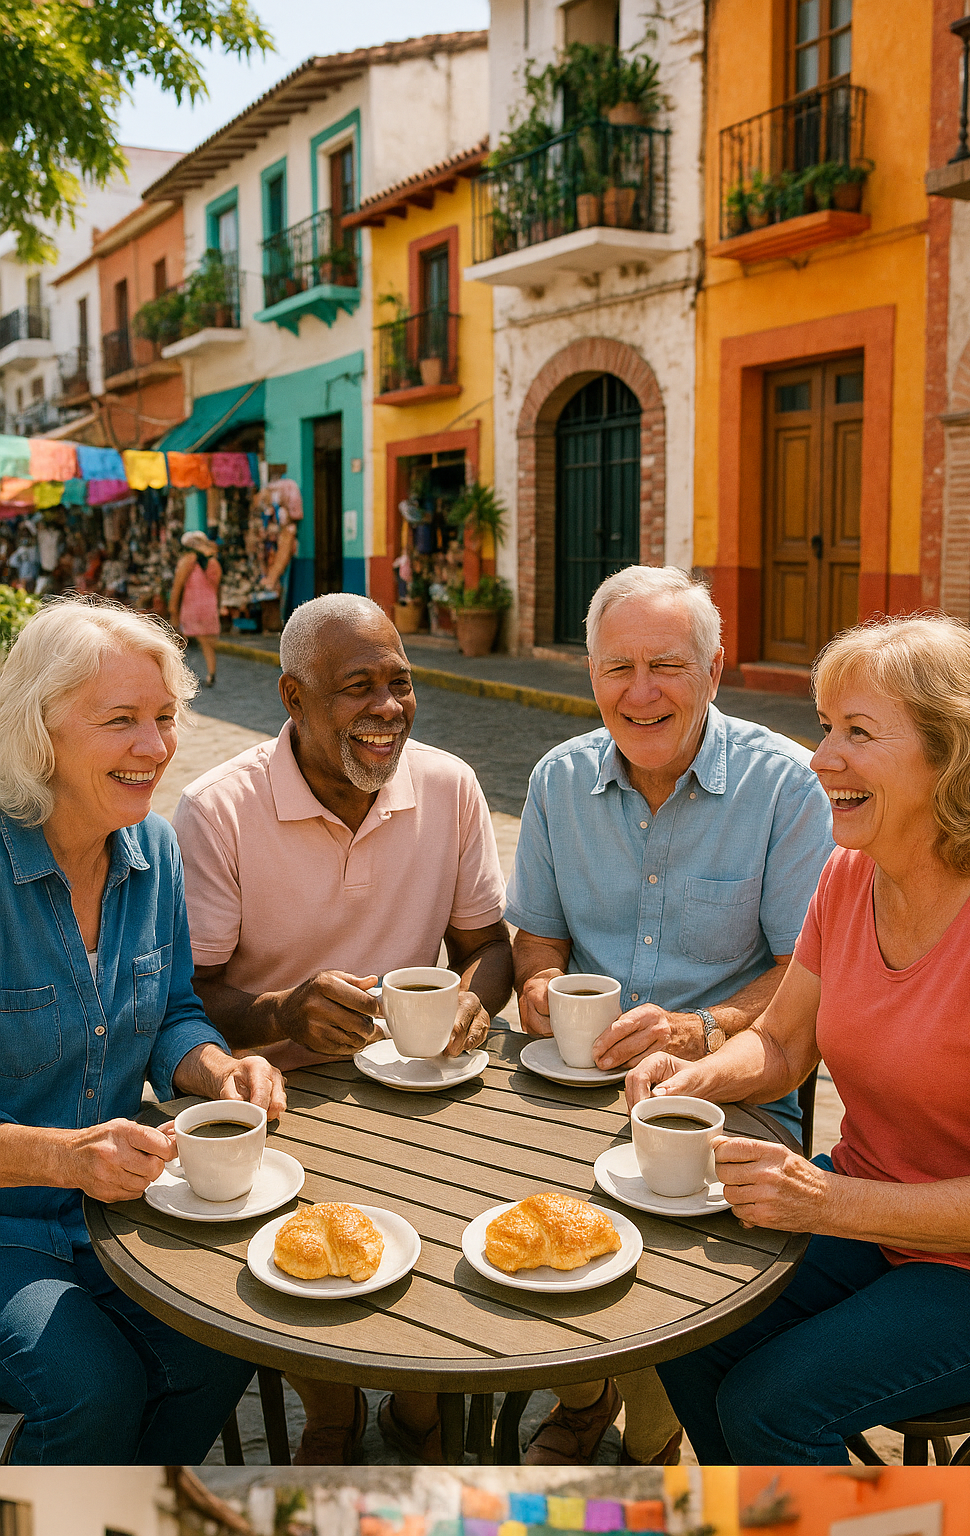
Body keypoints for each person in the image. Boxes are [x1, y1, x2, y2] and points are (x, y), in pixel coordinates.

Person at [628, 615, 970, 1465]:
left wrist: (827, 1202)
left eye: (857, 733)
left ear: (950, 752)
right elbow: (780, 1044)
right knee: (681, 1322)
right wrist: (691, 1078)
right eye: (823, 727)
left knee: (772, 1404)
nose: (819, 757)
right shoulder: (851, 872)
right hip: (872, 1212)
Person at [173, 590, 513, 1464]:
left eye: (400, 683)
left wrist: (476, 998)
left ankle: (416, 1405)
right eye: (357, 687)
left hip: (418, 1093)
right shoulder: (217, 809)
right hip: (283, 1104)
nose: (388, 710)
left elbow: (487, 945)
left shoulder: (450, 784)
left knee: (459, 1211)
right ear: (293, 698)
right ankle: (331, 1411)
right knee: (303, 1247)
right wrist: (283, 1013)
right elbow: (189, 994)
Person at [506, 564, 833, 1466]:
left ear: (716, 671)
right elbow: (536, 936)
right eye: (618, 668)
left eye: (667, 667)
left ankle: (650, 1445)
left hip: (736, 1087)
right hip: (581, 1078)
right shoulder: (556, 780)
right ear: (591, 674)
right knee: (513, 1199)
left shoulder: (787, 786)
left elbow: (805, 975)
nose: (640, 693)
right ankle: (582, 1394)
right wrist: (538, 986)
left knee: (670, 1255)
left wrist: (702, 1029)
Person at [0, 597, 286, 1465]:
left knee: (225, 1340)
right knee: (93, 1392)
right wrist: (62, 1156)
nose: (157, 748)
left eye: (164, 719)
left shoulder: (154, 848)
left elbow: (173, 1014)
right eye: (120, 721)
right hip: (11, 1226)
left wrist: (214, 1068)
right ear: (36, 731)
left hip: (122, 1213)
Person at [169, 530, 222, 687]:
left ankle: (176, 677)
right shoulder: (214, 563)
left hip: (191, 607)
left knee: (179, 642)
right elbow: (218, 588)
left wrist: (173, 609)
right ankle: (211, 674)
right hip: (209, 607)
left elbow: (177, 587)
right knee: (207, 643)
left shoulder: (187, 560)